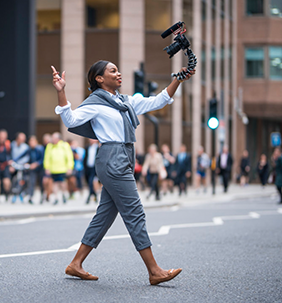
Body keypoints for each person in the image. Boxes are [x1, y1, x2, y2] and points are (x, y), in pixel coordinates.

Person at [52, 60, 194, 284]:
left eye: (118, 70)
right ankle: (154, 270)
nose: (119, 74)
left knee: (105, 214)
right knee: (134, 212)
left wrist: (178, 80)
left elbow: (158, 101)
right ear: (99, 78)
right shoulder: (95, 103)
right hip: (112, 158)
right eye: (113, 71)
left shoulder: (125, 102)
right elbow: (70, 119)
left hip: (125, 157)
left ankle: (75, 264)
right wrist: (62, 91)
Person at [43, 132, 74, 205]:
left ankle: (64, 195)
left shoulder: (64, 145)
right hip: (53, 168)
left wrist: (70, 167)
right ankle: (56, 197)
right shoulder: (50, 146)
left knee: (62, 182)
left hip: (62, 168)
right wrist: (47, 167)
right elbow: (47, 157)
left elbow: (69, 157)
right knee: (55, 183)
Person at [25, 136, 44, 204]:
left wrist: (36, 164)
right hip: (32, 169)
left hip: (40, 169)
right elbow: (23, 155)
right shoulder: (29, 149)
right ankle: (30, 197)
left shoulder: (40, 149)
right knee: (31, 182)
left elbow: (43, 159)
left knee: (41, 183)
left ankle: (42, 196)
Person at [84, 139, 100, 204]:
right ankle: (94, 194)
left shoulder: (98, 148)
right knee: (89, 181)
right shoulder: (87, 147)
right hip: (88, 167)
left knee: (92, 181)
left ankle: (90, 196)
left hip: (95, 167)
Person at [40, 133, 53, 204]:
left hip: (52, 168)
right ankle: (46, 194)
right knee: (44, 182)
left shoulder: (51, 147)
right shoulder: (42, 148)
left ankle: (48, 195)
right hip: (45, 167)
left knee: (50, 182)